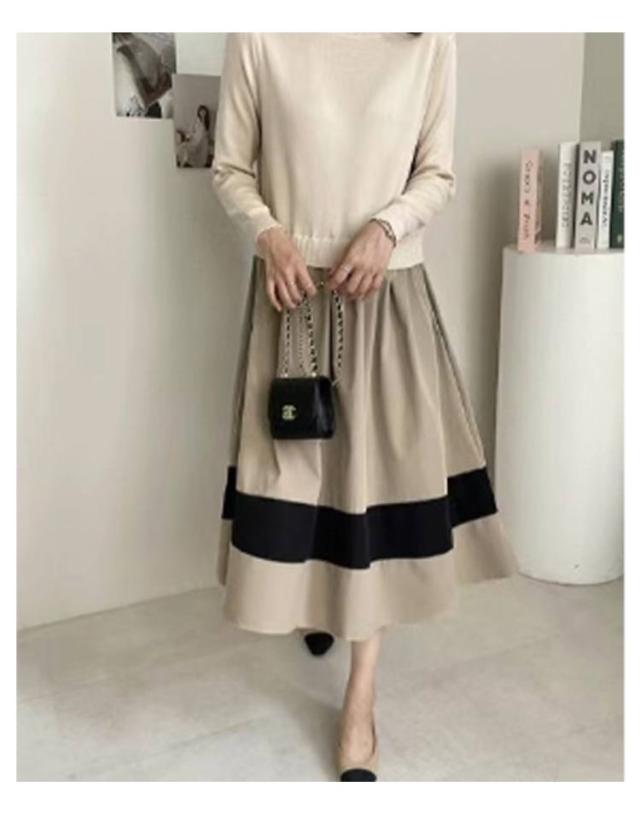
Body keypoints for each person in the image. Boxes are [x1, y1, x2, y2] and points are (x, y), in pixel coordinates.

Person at [211, 32, 517, 782]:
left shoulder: (427, 36)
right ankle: (316, 606)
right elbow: (231, 167)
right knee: (298, 479)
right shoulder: (260, 32)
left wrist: (386, 229)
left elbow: (437, 172)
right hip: (291, 293)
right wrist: (270, 234)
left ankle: (360, 701)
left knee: (374, 492)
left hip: (385, 292)